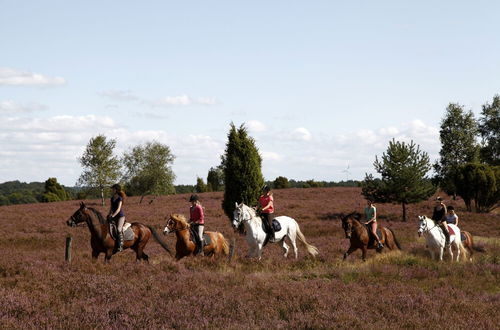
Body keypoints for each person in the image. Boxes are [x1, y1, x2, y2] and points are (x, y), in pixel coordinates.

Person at [108, 183, 126, 252]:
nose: (112, 190)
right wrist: (109, 215)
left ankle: (120, 245)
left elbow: (118, 209)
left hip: (120, 216)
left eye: (113, 189)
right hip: (113, 216)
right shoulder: (112, 198)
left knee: (118, 229)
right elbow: (111, 208)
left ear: (116, 190)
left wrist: (113, 215)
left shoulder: (119, 198)